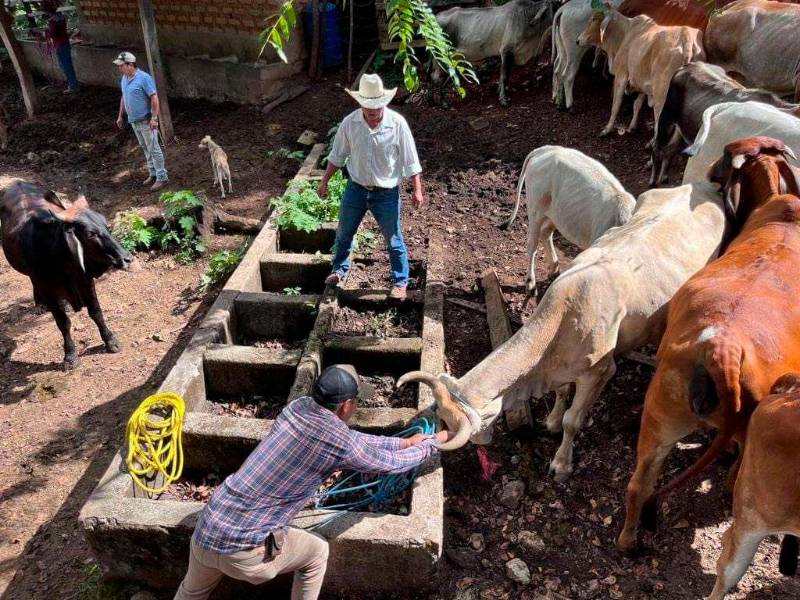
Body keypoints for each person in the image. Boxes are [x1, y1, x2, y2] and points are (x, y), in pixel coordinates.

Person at [174, 364, 446, 600]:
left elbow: (354, 440)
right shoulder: (338, 441)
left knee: (191, 592)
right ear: (346, 406)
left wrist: (403, 442)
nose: (356, 407)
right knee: (317, 553)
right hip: (246, 553)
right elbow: (389, 464)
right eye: (356, 402)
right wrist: (433, 443)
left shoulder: (297, 407)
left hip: (206, 530)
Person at [319, 73, 424, 301]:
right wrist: (325, 180)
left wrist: (417, 189)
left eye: (376, 107)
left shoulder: (397, 124)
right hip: (356, 188)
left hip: (386, 192)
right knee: (344, 232)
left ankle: (400, 282)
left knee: (393, 239)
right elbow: (337, 156)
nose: (373, 112)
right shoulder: (350, 123)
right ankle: (339, 270)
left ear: (383, 103)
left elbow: (411, 160)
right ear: (361, 104)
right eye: (368, 107)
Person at [114, 51, 169, 192]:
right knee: (145, 147)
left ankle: (162, 177)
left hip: (146, 120)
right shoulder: (124, 78)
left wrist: (154, 118)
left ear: (130, 65)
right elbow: (124, 96)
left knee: (154, 148)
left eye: (121, 66)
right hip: (134, 120)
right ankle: (153, 173)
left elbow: (154, 98)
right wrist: (120, 115)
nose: (119, 68)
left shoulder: (144, 78)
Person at [41, 0, 79, 93]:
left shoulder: (52, 21)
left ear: (46, 11)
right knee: (67, 65)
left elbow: (53, 34)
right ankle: (73, 84)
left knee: (65, 66)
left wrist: (44, 33)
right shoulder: (60, 17)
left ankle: (73, 86)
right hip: (65, 43)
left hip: (60, 45)